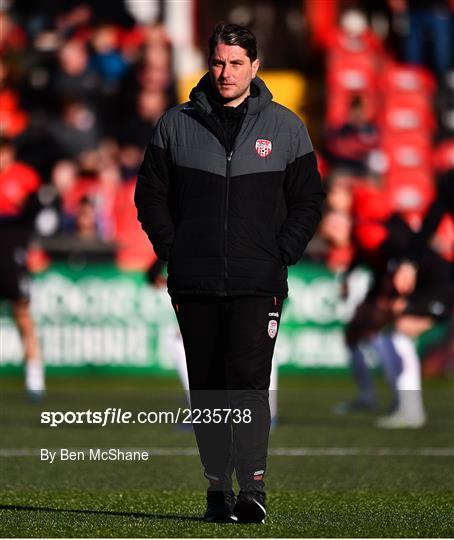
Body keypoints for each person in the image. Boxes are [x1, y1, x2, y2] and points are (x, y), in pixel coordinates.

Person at [135, 23, 325, 523]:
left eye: (236, 63)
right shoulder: (174, 124)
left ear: (255, 67)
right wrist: (174, 249)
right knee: (207, 389)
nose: (225, 72)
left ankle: (253, 488)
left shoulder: (287, 127)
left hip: (258, 281)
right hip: (194, 280)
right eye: (219, 62)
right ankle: (217, 489)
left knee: (248, 384)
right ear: (209, 61)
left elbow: (309, 201)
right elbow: (149, 197)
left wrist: (280, 252)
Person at [0, 137, 44, 398]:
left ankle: (34, 376)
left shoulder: (24, 178)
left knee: (22, 313)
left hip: (14, 251)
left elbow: (38, 213)